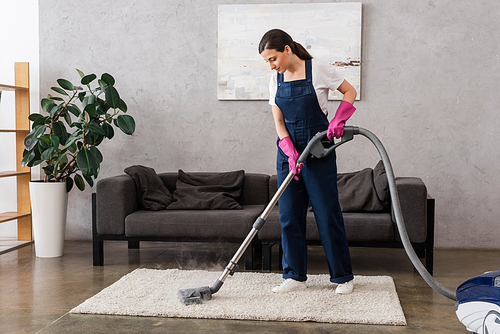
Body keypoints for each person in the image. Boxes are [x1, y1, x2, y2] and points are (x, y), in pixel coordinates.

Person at [259, 29, 357, 294]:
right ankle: (293, 275)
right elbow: (279, 122)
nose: (271, 65)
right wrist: (288, 149)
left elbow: (349, 91)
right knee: (289, 215)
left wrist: (338, 119)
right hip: (288, 154)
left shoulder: (319, 69)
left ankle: (343, 277)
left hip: (318, 150)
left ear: (287, 50)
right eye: (267, 61)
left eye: (272, 58)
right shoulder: (275, 80)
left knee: (327, 214)